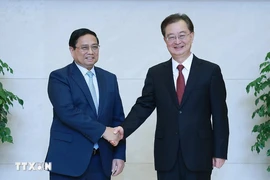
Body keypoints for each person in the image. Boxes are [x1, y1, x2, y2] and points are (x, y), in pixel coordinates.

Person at [113, 13, 229, 180]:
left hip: (199, 152)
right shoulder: (156, 73)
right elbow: (143, 106)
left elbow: (220, 115)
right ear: (165, 40)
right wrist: (123, 129)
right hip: (166, 154)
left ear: (192, 36)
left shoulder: (210, 71)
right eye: (171, 37)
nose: (177, 41)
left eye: (182, 35)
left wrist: (220, 151)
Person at [45, 28, 126, 180]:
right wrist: (103, 131)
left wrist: (119, 155)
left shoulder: (109, 79)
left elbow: (118, 119)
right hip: (67, 161)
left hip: (101, 161)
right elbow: (67, 112)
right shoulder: (59, 77)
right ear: (72, 50)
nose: (90, 51)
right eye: (84, 47)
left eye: (94, 47)